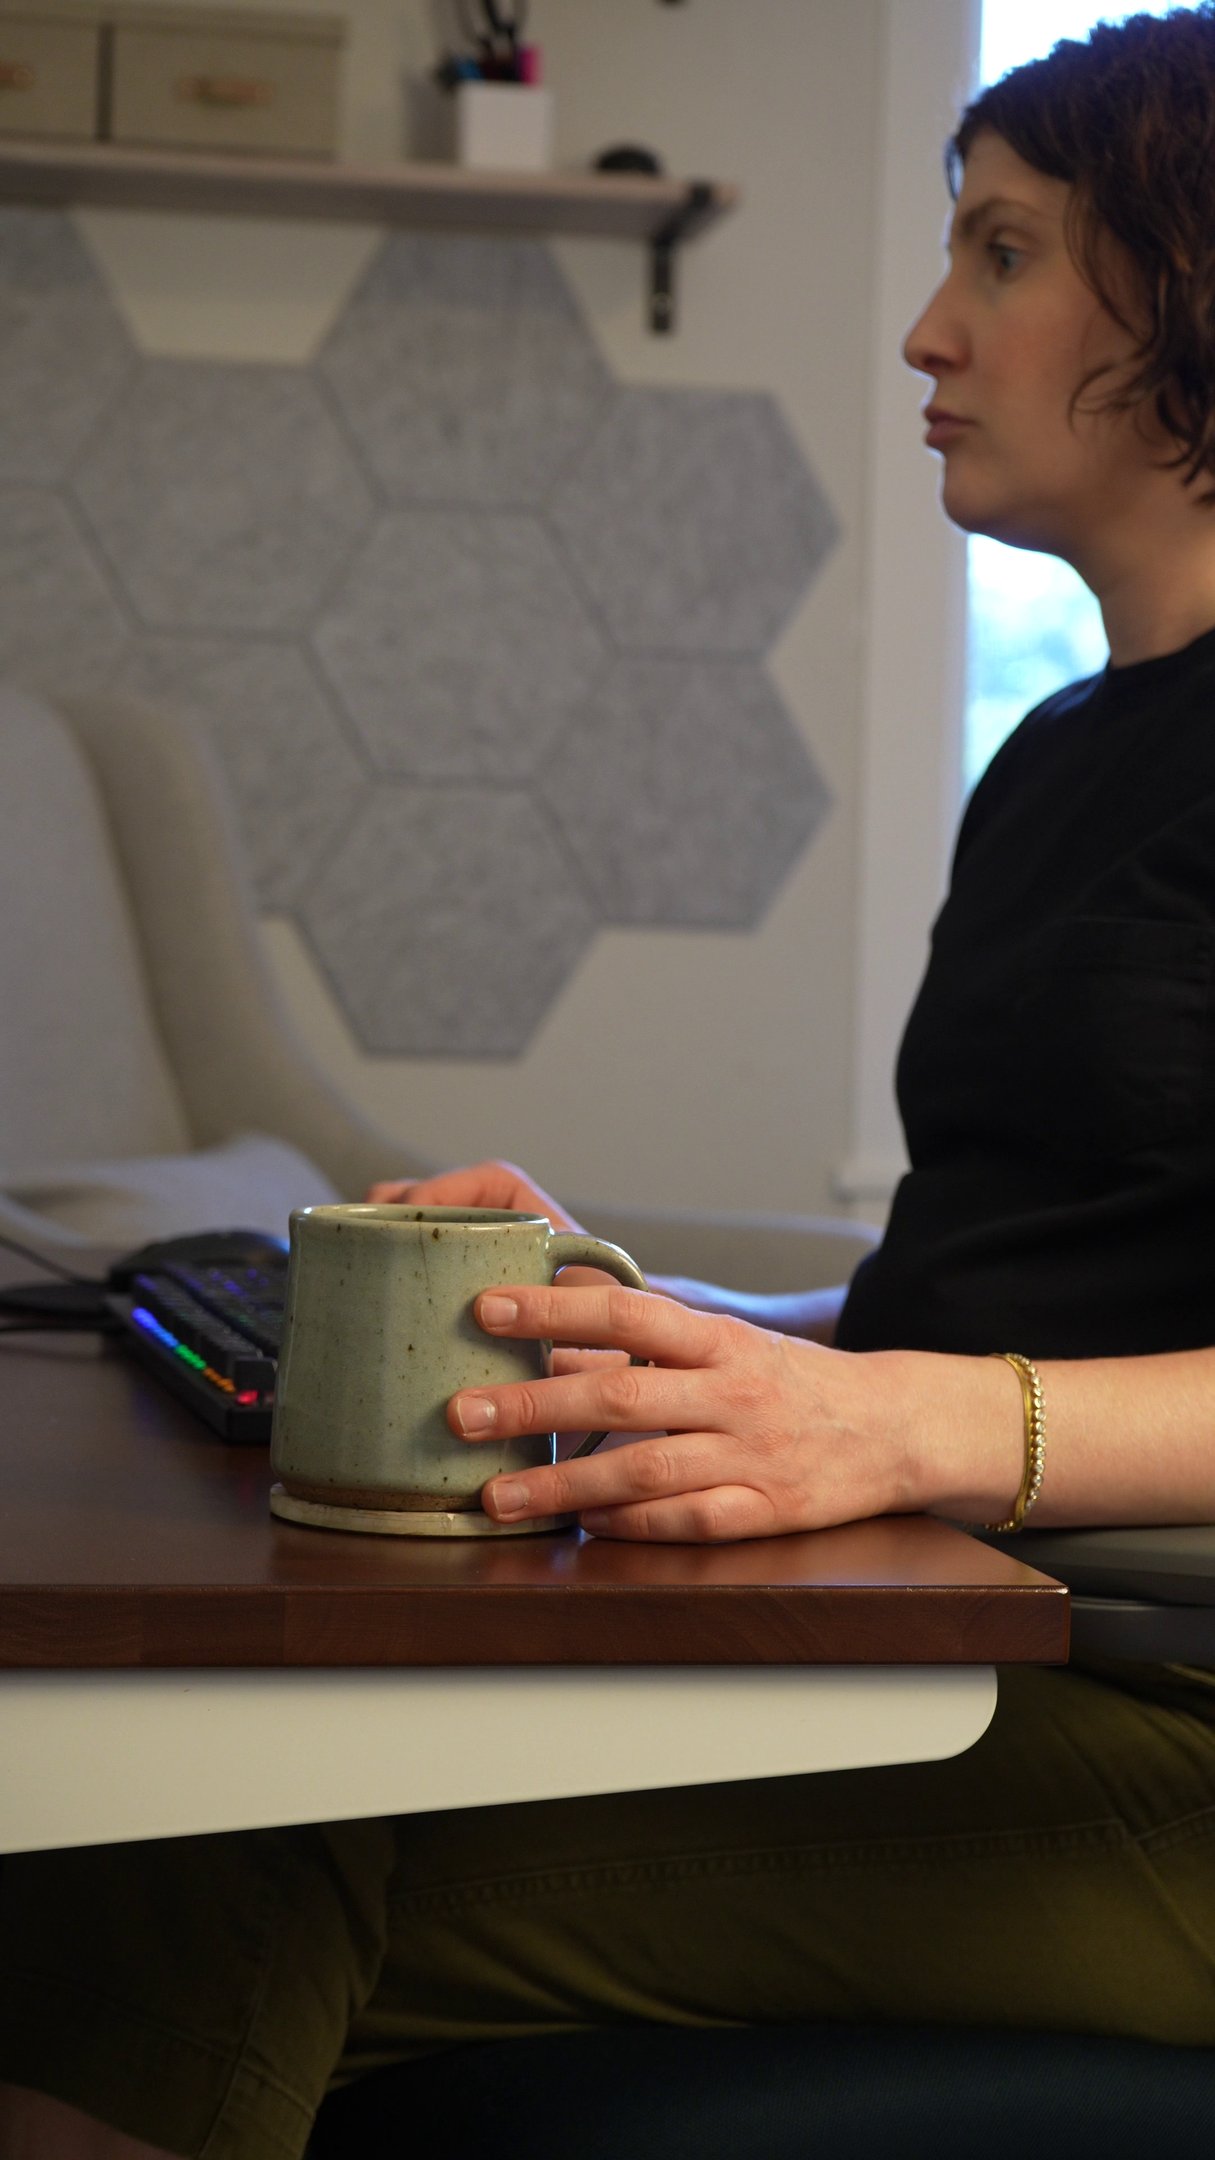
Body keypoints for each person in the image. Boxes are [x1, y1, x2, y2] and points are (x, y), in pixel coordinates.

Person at [4, 11, 1215, 2156]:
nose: (928, 328)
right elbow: (1041, 1276)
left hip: (1168, 1740)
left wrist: (909, 1421)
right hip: (1013, 1642)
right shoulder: (1058, 757)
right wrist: (657, 1325)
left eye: (1008, 252)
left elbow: (976, 1387)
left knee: (196, 1841)